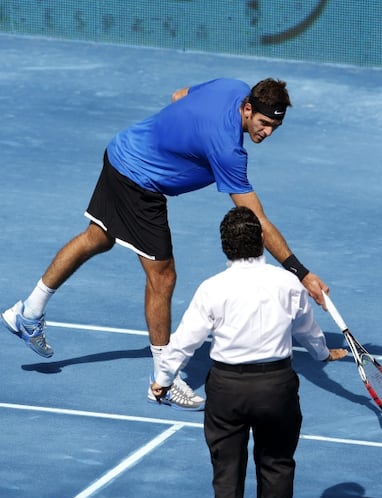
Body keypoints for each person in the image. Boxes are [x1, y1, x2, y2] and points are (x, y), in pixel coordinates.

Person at [2, 77, 328, 411]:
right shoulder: (227, 149)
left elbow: (179, 96)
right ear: (248, 108)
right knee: (163, 276)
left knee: (97, 238)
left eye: (275, 126)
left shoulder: (231, 87)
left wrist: (181, 141)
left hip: (122, 151)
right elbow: (257, 221)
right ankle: (165, 379)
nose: (267, 132)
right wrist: (301, 274)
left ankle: (28, 312)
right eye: (263, 123)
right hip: (140, 182)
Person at [151, 206, 347, 498]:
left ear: (225, 246)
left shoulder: (212, 288)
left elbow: (183, 342)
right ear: (260, 241)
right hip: (276, 386)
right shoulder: (288, 283)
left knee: (227, 470)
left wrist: (163, 380)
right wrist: (323, 355)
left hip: (227, 389)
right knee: (276, 462)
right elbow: (308, 332)